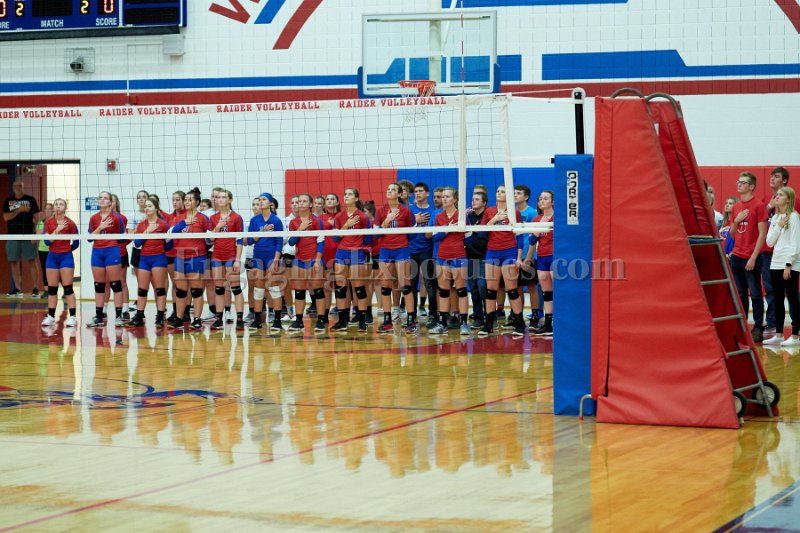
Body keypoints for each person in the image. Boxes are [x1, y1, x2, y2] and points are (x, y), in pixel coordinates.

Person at [479, 185, 526, 337]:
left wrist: (519, 258)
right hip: (492, 252)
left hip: (509, 252)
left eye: (503, 191)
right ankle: (489, 324)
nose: (499, 193)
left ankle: (519, 323)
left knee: (512, 290)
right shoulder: (489, 211)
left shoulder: (514, 212)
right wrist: (494, 219)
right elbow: (481, 232)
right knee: (490, 290)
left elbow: (519, 236)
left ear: (509, 195)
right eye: (498, 191)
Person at [730, 172, 768, 343]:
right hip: (737, 256)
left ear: (751, 186)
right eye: (738, 182)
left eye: (743, 182)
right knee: (740, 293)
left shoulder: (758, 206)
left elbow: (762, 234)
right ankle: (743, 327)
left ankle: (758, 327)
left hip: (751, 256)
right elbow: (732, 234)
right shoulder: (736, 207)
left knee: (755, 293)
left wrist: (753, 257)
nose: (739, 184)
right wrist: (736, 221)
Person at [760, 167, 797, 339]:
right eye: (771, 176)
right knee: (774, 293)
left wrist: (789, 262)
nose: (772, 179)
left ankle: (795, 333)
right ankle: (777, 330)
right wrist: (777, 225)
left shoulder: (794, 213)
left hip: (789, 260)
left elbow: (795, 240)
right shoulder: (773, 213)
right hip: (773, 257)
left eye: (776, 176)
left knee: (792, 296)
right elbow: (768, 239)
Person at [376, 183, 416, 334]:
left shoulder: (406, 211)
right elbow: (377, 234)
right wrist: (387, 220)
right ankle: (387, 321)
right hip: (385, 250)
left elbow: (412, 234)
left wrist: (401, 241)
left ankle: (411, 320)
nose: (389, 191)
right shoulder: (380, 210)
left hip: (401, 250)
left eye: (393, 189)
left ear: (399, 194)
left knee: (405, 285)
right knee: (385, 286)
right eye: (388, 189)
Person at [167, 187, 209, 330]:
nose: (186, 202)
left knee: (196, 290)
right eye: (185, 200)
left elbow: (210, 239)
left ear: (197, 202)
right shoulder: (178, 218)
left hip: (196, 257)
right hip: (180, 257)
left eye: (190, 200)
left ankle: (197, 319)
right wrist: (184, 223)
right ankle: (179, 318)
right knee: (180, 290)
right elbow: (169, 235)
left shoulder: (203, 219)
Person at [430, 187, 470, 335]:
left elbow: (469, 237)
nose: (444, 199)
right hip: (442, 256)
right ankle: (442, 323)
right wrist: (446, 229)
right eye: (443, 197)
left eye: (447, 196)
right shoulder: (439, 216)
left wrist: (459, 241)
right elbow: (434, 237)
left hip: (458, 256)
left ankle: (464, 323)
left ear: (455, 199)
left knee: (461, 290)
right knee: (443, 291)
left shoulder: (462, 216)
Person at [330, 188, 371, 332]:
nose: (346, 196)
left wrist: (358, 246)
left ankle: (362, 320)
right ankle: (342, 321)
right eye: (345, 194)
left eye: (350, 194)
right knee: (341, 289)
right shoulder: (339, 216)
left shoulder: (363, 217)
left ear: (356, 198)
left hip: (355, 252)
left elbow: (368, 239)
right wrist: (346, 225)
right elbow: (336, 238)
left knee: (359, 289)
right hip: (341, 252)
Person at [128, 197, 171, 328]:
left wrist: (167, 241)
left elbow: (169, 246)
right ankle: (139, 316)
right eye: (146, 206)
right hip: (144, 259)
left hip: (158, 258)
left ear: (156, 208)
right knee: (142, 289)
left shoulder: (163, 225)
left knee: (160, 289)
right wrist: (148, 231)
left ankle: (160, 316)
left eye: (150, 206)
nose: (147, 208)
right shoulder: (142, 224)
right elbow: (136, 243)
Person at [87, 191, 126, 327]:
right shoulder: (93, 218)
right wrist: (100, 228)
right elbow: (89, 238)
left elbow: (122, 237)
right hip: (97, 252)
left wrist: (111, 244)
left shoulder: (116, 218)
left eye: (105, 198)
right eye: (100, 198)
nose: (102, 200)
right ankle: (98, 316)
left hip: (112, 252)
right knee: (99, 286)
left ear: (110, 202)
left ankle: (119, 316)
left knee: (116, 284)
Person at [287, 193, 325, 333]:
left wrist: (318, 260)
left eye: (304, 201)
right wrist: (300, 229)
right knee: (299, 291)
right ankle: (299, 321)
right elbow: (291, 242)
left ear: (310, 204)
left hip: (314, 259)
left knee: (318, 290)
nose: (300, 203)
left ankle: (321, 320)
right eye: (299, 201)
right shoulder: (294, 222)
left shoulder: (317, 221)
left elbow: (321, 241)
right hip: (299, 260)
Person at [246, 192, 284, 332]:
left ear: (270, 203)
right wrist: (262, 231)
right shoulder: (254, 220)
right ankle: (257, 320)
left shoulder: (276, 220)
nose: (261, 201)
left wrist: (276, 259)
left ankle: (277, 320)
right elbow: (250, 241)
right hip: (258, 255)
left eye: (264, 199)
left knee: (273, 287)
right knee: (258, 287)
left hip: (271, 255)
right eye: (260, 199)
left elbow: (279, 241)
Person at [209, 189, 246, 330]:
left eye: (224, 197)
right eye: (218, 197)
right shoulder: (213, 218)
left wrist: (237, 259)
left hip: (231, 255)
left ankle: (240, 319)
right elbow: (210, 239)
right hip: (217, 256)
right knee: (219, 288)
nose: (220, 199)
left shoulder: (236, 217)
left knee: (235, 287)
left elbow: (239, 240)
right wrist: (218, 226)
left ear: (230, 200)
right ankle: (219, 318)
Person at [40, 199, 79, 327]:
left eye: (61, 204)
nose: (58, 206)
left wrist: (67, 250)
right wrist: (57, 230)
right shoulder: (48, 223)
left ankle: (72, 317)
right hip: (52, 257)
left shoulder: (71, 223)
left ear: (65, 208)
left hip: (66, 258)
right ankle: (51, 317)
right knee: (52, 289)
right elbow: (47, 242)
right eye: (56, 204)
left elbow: (76, 242)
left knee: (68, 288)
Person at [3, 179, 40, 296]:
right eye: (16, 186)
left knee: (32, 261)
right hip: (13, 235)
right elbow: (6, 217)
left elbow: (37, 217)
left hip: (28, 235)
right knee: (14, 262)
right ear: (13, 188)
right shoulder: (8, 200)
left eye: (20, 186)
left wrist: (36, 233)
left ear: (23, 187)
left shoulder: (30, 199)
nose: (18, 188)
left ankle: (35, 288)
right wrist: (19, 210)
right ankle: (18, 288)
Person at [409, 182, 437, 323]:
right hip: (411, 251)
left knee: (429, 284)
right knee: (411, 285)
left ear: (427, 193)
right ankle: (412, 316)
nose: (418, 193)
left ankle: (432, 315)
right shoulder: (409, 210)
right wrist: (415, 220)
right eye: (416, 191)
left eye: (420, 191)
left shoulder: (433, 210)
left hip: (427, 251)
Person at [515, 184, 541, 328]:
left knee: (531, 286)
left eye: (519, 193)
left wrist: (529, 257)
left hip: (529, 255)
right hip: (514, 255)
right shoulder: (512, 213)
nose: (515, 195)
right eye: (514, 193)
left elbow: (534, 237)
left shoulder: (532, 213)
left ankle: (535, 315)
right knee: (517, 287)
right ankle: (518, 316)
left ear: (526, 197)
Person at [529, 190, 554, 336]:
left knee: (559, 291)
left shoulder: (558, 218)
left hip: (555, 257)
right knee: (546, 293)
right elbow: (532, 241)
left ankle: (561, 323)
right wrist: (538, 229)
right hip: (542, 258)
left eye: (545, 198)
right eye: (540, 199)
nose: (542, 201)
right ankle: (548, 325)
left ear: (552, 202)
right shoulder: (537, 219)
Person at [465, 190, 489, 329]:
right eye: (473, 199)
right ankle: (478, 317)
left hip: (484, 256)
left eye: (477, 199)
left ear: (484, 203)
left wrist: (476, 230)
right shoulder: (468, 216)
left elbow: (484, 235)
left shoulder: (488, 215)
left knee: (482, 286)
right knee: (474, 288)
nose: (473, 201)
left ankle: (490, 316)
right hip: (470, 256)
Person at [34, 202, 54, 298]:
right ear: (44, 211)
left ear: (53, 211)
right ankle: (46, 291)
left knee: (56, 270)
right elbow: (37, 234)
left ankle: (65, 290)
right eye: (46, 209)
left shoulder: (55, 221)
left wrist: (43, 232)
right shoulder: (40, 223)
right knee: (44, 270)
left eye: (50, 209)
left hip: (53, 249)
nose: (48, 210)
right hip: (42, 249)